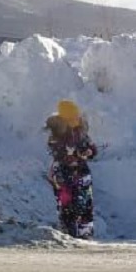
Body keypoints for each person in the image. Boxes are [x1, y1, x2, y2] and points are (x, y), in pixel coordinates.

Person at [44, 99, 98, 239]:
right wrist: (72, 154)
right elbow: (55, 150)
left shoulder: (81, 131)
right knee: (67, 203)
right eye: (72, 118)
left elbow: (92, 147)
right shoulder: (56, 133)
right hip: (63, 173)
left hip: (82, 172)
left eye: (76, 117)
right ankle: (68, 233)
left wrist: (89, 151)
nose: (76, 121)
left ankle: (85, 234)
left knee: (86, 203)